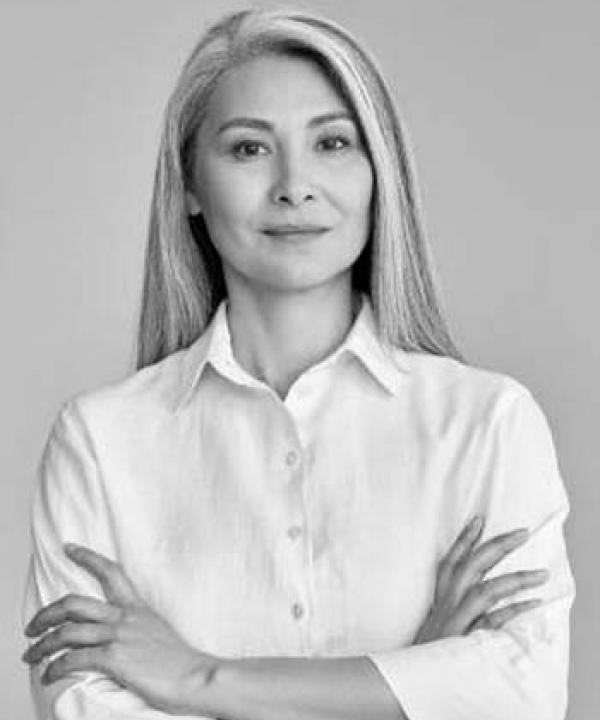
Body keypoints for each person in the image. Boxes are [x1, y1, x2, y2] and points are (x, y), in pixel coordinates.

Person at [21, 7, 575, 720]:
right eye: (249, 149)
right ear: (189, 183)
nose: (294, 186)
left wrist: (200, 679)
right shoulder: (99, 443)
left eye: (332, 143)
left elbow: (524, 696)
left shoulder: (488, 424)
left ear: (379, 172)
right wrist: (412, 685)